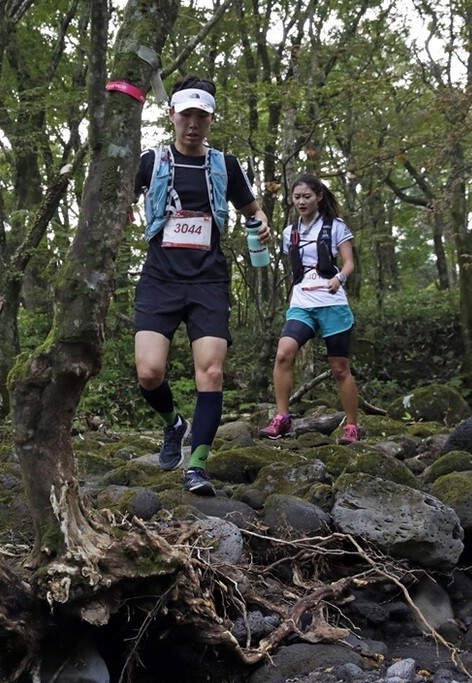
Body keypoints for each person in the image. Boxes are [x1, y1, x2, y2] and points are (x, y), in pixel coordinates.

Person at [134, 75, 270, 496]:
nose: (193, 123)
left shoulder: (224, 165)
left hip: (209, 279)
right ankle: (174, 424)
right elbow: (119, 197)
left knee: (211, 372)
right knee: (149, 372)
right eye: (186, 114)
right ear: (172, 114)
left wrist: (261, 225)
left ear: (211, 119)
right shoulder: (151, 161)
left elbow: (253, 209)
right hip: (160, 276)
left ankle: (197, 466)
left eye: (202, 116)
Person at [259, 173, 360, 444]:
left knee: (339, 368)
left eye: (307, 196)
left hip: (332, 303)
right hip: (301, 303)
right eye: (297, 197)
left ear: (318, 197)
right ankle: (282, 418)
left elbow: (348, 262)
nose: (301, 201)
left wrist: (339, 278)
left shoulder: (336, 226)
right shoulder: (288, 233)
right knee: (283, 354)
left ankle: (351, 426)